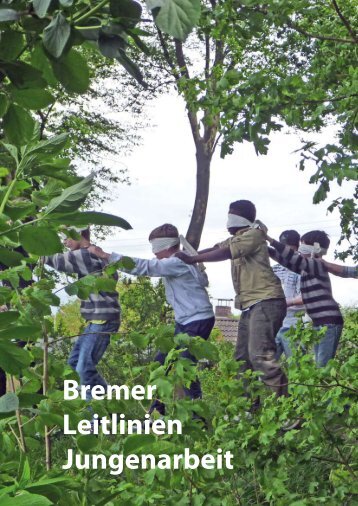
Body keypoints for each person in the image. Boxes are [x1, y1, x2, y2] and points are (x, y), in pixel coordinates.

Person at [88, 224, 215, 416]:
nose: (154, 254)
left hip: (197, 320)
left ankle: (196, 418)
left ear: (164, 247)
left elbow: (145, 267)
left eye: (155, 249)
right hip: (187, 320)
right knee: (160, 363)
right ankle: (156, 413)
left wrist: (107, 256)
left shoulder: (176, 263)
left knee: (184, 366)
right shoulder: (179, 261)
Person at [176, 200, 288, 398]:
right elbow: (215, 248)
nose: (228, 219)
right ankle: (247, 408)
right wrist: (186, 256)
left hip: (266, 301)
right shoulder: (236, 238)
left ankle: (289, 409)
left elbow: (226, 252)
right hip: (249, 305)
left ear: (241, 217)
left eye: (231, 214)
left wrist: (193, 259)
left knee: (260, 355)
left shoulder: (253, 235)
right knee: (241, 359)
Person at [44, 228, 120, 399]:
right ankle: (99, 407)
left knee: (84, 369)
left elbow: (55, 261)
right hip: (96, 319)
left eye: (66, 238)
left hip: (103, 318)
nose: (64, 242)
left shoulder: (88, 255)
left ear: (78, 235)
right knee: (72, 365)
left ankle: (98, 417)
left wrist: (28, 242)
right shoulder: (94, 253)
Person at [267, 230, 356, 366]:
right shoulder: (306, 268)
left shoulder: (316, 264)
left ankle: (324, 387)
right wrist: (265, 248)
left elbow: (293, 258)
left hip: (329, 322)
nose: (300, 250)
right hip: (319, 323)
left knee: (323, 365)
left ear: (315, 248)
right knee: (320, 364)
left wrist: (270, 240)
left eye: (303, 246)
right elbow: (285, 260)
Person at [272, 230, 305, 359]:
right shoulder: (275, 269)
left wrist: (285, 303)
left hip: (295, 325)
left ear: (297, 248)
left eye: (289, 249)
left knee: (297, 366)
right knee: (264, 367)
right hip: (275, 324)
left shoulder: (305, 268)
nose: (284, 252)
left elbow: (307, 297)